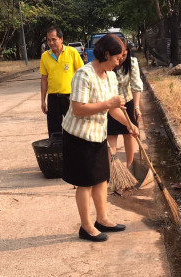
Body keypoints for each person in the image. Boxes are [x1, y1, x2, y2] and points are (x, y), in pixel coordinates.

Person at [61, 34, 139, 242]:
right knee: (85, 183)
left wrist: (130, 125)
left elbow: (114, 111)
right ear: (106, 54)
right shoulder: (83, 75)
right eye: (117, 58)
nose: (119, 62)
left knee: (101, 179)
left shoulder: (111, 76)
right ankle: (86, 227)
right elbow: (78, 109)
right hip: (78, 137)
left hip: (98, 136)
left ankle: (102, 219)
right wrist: (108, 104)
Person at [40, 26, 84, 137]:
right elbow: (44, 79)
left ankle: (75, 153)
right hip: (53, 98)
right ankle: (57, 153)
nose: (51, 42)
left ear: (61, 39)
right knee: (54, 131)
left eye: (54, 39)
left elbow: (82, 74)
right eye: (48, 40)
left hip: (71, 97)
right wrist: (43, 100)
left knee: (74, 129)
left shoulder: (72, 52)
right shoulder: (45, 56)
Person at [107, 37, 144, 169]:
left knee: (129, 134)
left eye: (124, 55)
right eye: (119, 55)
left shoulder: (132, 63)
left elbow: (136, 85)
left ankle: (130, 166)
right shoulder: (108, 64)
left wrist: (136, 106)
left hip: (127, 103)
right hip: (110, 103)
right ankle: (113, 169)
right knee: (111, 135)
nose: (121, 58)